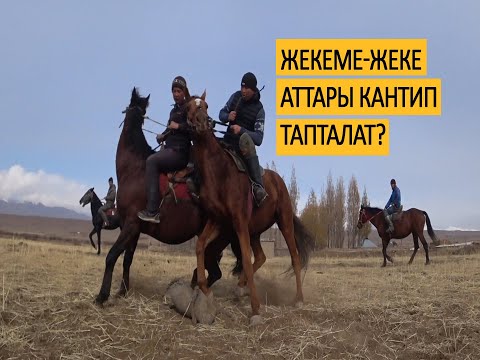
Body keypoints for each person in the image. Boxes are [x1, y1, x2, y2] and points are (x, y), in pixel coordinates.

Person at [138, 76, 192, 223]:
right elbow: (170, 129)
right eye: (174, 91)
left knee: (151, 162)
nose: (176, 94)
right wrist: (163, 135)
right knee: (148, 159)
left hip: (180, 153)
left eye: (179, 91)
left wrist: (179, 126)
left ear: (184, 91)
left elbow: (194, 130)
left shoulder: (189, 108)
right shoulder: (173, 111)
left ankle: (153, 210)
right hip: (170, 149)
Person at [219, 72, 267, 206]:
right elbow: (221, 114)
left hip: (244, 147)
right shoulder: (235, 97)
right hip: (227, 141)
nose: (243, 91)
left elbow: (258, 138)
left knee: (246, 139)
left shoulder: (259, 110)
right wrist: (227, 116)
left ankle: (258, 186)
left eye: (247, 88)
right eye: (242, 87)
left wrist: (241, 130)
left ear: (253, 90)